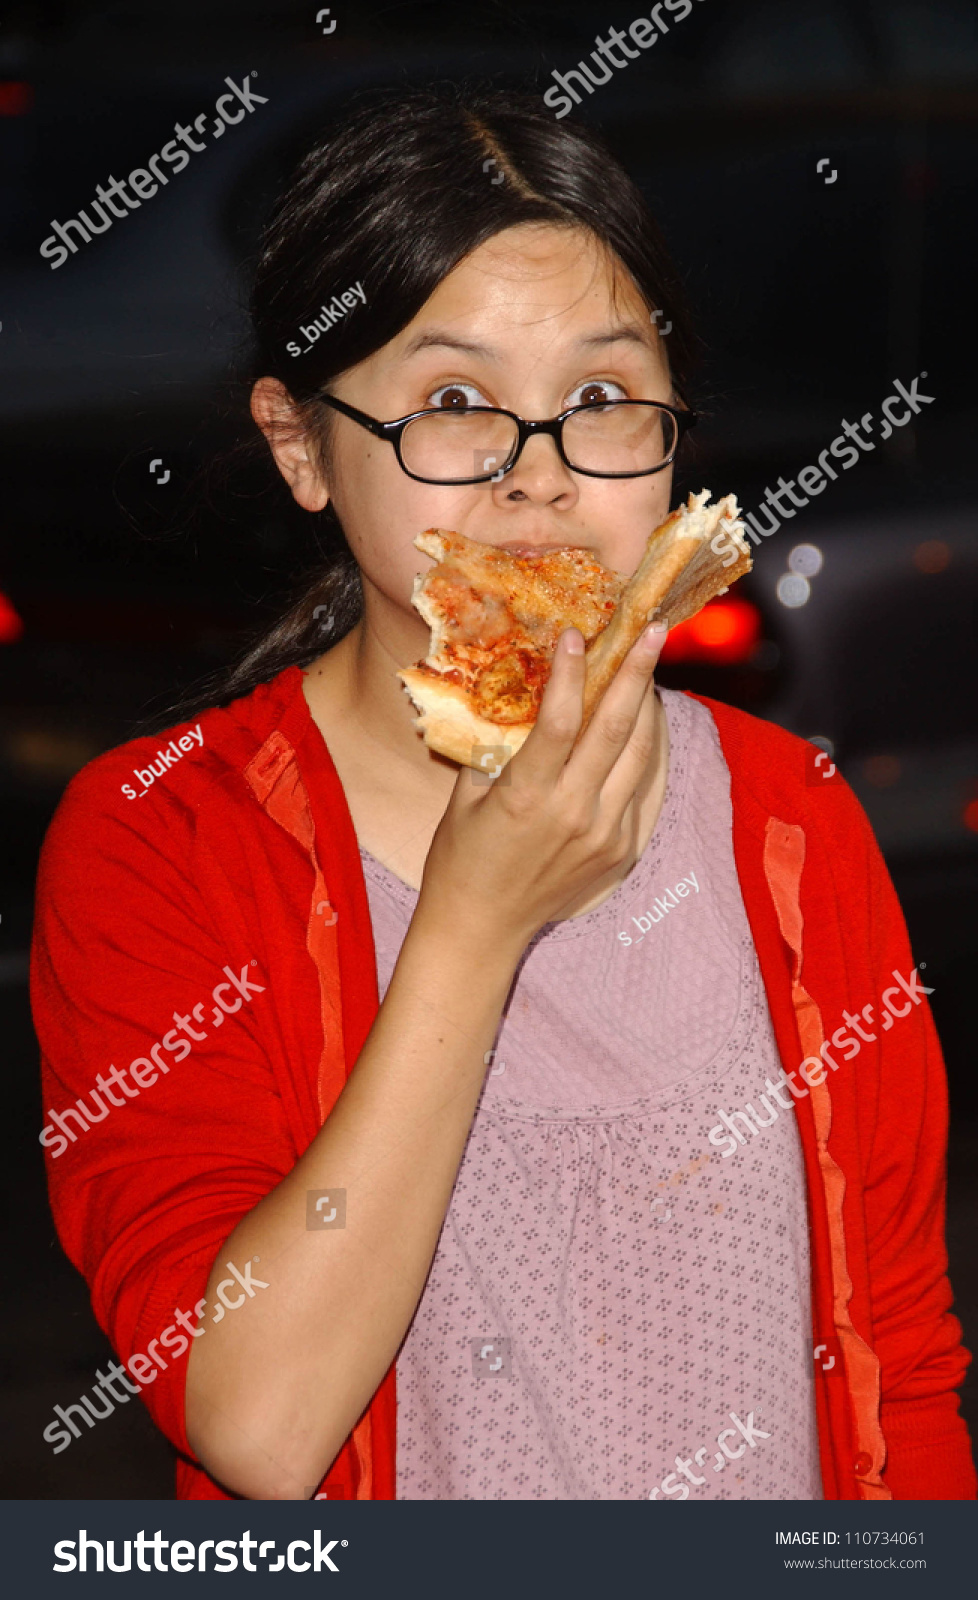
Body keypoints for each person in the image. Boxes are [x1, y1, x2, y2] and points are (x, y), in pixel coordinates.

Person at [32, 86, 974, 1503]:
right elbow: (259, 1425)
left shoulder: (788, 814)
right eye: (454, 405)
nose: (539, 480)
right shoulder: (162, 838)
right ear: (300, 443)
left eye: (599, 401)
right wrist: (472, 926)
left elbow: (899, 1368)